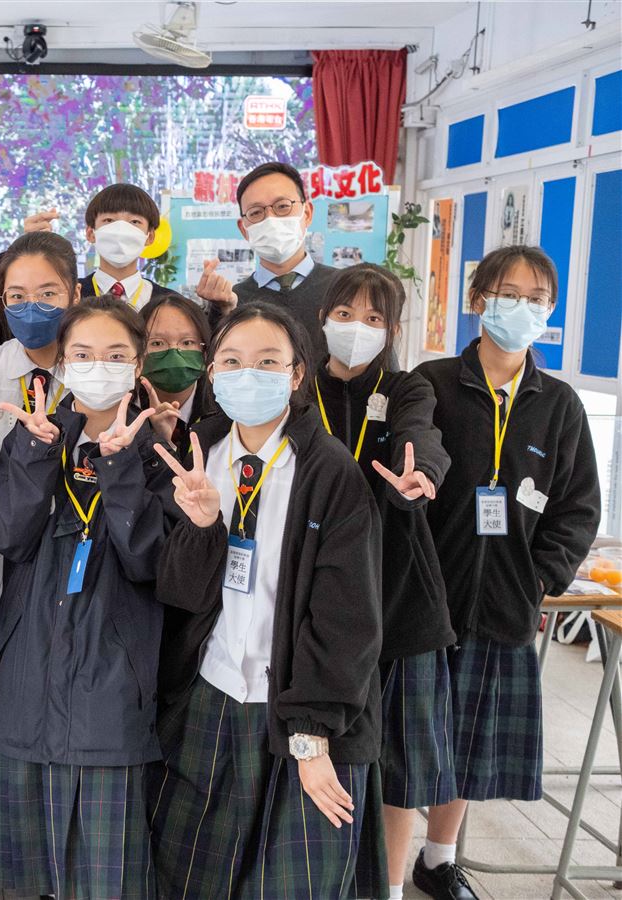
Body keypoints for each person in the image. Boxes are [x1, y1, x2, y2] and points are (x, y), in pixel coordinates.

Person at [149, 303, 384, 898]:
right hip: (212, 692)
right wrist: (203, 527)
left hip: (299, 710)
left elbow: (348, 618)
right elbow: (178, 594)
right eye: (231, 361)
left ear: (297, 373)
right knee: (190, 876)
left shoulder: (329, 470)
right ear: (211, 372)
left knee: (291, 882)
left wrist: (311, 734)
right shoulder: (199, 450)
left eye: (267, 361)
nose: (246, 374)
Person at [411, 246, 601, 900]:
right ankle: (382, 857)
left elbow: (579, 506)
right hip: (425, 597)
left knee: (466, 741)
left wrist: (541, 578)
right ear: (479, 300)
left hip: (504, 602)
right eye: (508, 294)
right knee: (407, 738)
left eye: (536, 299)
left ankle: (438, 860)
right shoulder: (432, 384)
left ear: (550, 311)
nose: (521, 308)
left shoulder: (560, 404)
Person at [0, 296, 170, 899]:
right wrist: (36, 455)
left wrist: (121, 466)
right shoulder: (36, 435)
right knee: (24, 876)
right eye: (82, 354)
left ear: (137, 366)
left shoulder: (159, 449)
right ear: (61, 362)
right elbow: (8, 537)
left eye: (114, 355)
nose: (97, 366)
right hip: (27, 675)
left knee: (104, 876)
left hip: (111, 683)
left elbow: (148, 562)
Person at [311, 264, 457, 899]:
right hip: (313, 599)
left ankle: (391, 889)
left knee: (398, 768)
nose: (357, 328)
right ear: (323, 318)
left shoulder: (405, 388)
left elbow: (423, 437)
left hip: (397, 600)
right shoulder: (296, 386)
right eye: (345, 314)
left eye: (373, 318)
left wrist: (419, 476)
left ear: (392, 330)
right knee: (319, 753)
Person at [0, 230, 81, 899]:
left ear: (75, 294)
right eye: (18, 295)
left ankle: (54, 841)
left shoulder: (94, 366)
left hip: (68, 577)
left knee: (54, 708)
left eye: (48, 293)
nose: (32, 307)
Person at [196, 162, 339, 359]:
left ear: (307, 214)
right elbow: (215, 366)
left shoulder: (345, 288)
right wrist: (220, 311)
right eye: (256, 212)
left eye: (282, 207)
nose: (270, 219)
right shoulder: (233, 301)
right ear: (244, 229)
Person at [138, 291, 214, 458]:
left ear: (205, 351)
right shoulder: (125, 410)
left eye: (187, 342)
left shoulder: (223, 409)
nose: (174, 355)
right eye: (157, 343)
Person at [77, 183, 175, 309]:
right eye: (109, 220)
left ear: (150, 237)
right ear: (91, 233)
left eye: (134, 221)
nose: (121, 230)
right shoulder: (70, 295)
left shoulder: (168, 303)